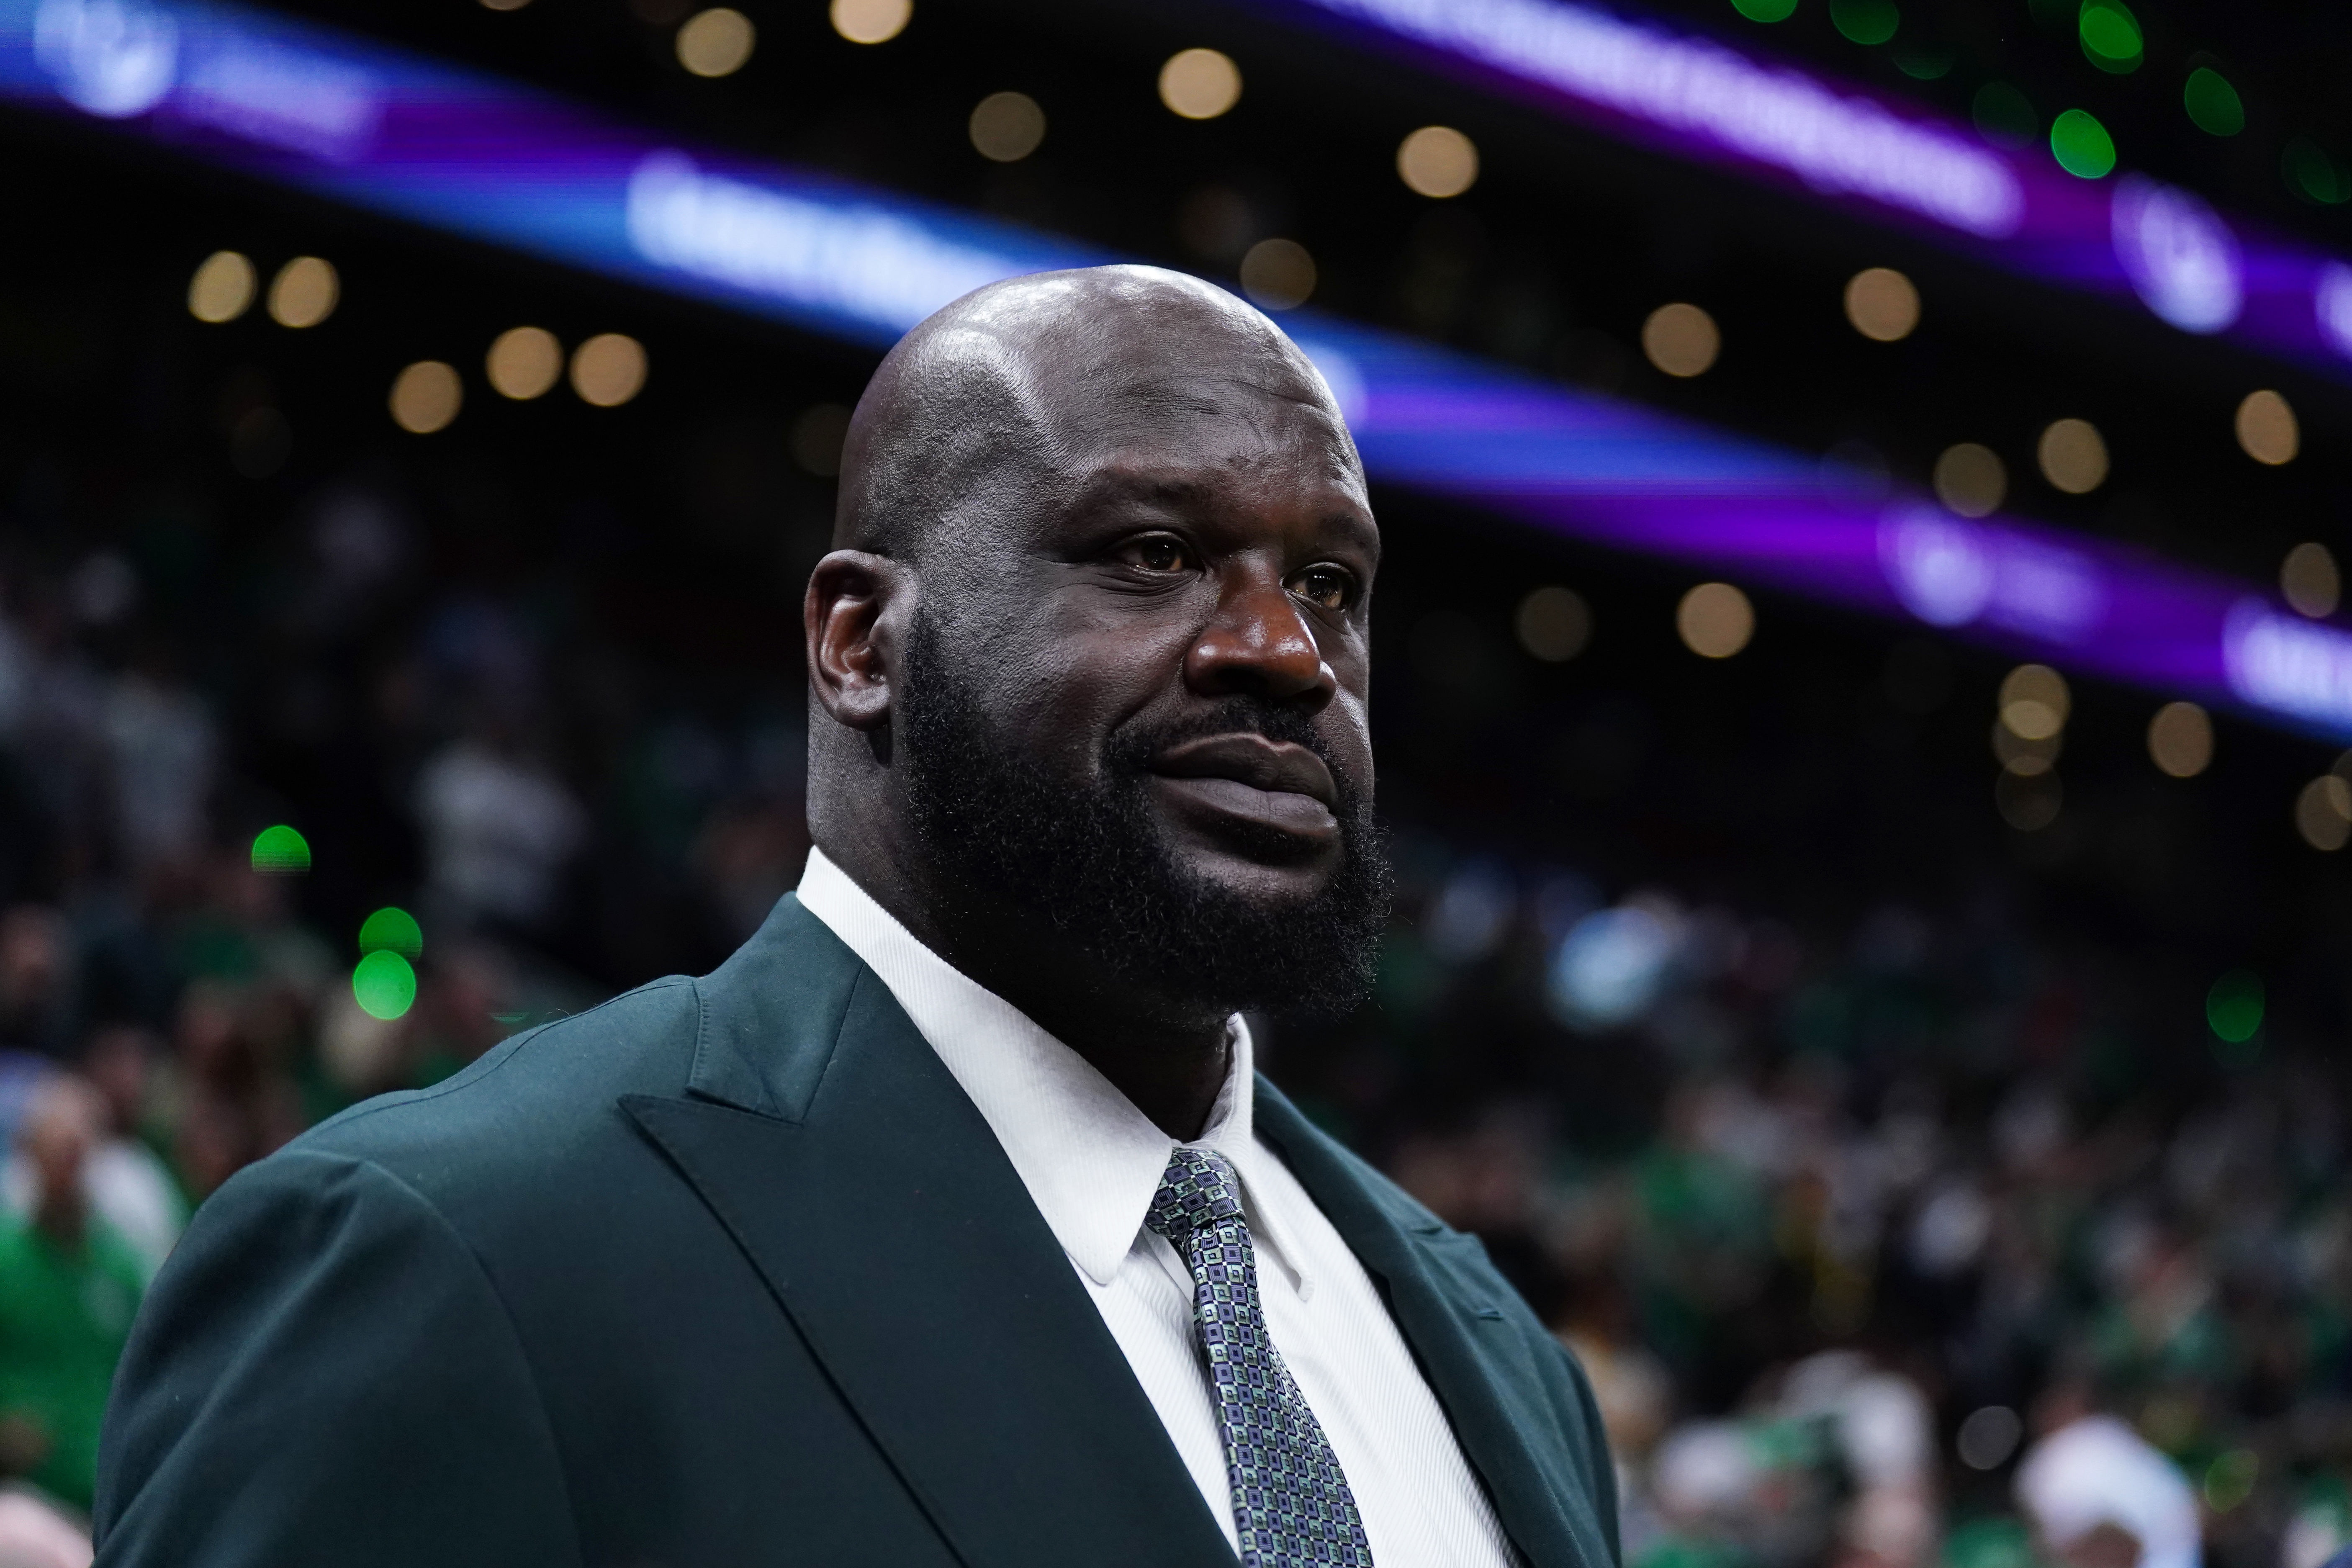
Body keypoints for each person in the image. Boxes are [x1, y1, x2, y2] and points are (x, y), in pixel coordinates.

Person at [93, 267, 1620, 1565]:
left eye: (1333, 584)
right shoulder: (453, 1256)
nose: (1283, 650)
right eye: (1151, 555)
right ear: (856, 643)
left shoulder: (1490, 1346)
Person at [0, 1077, 144, 1513]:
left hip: (107, 1495)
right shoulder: (6, 1258)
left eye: (78, 1152)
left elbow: (144, 1369)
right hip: (22, 1499)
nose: (68, 1167)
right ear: (30, 1154)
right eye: (56, 1151)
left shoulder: (120, 1263)